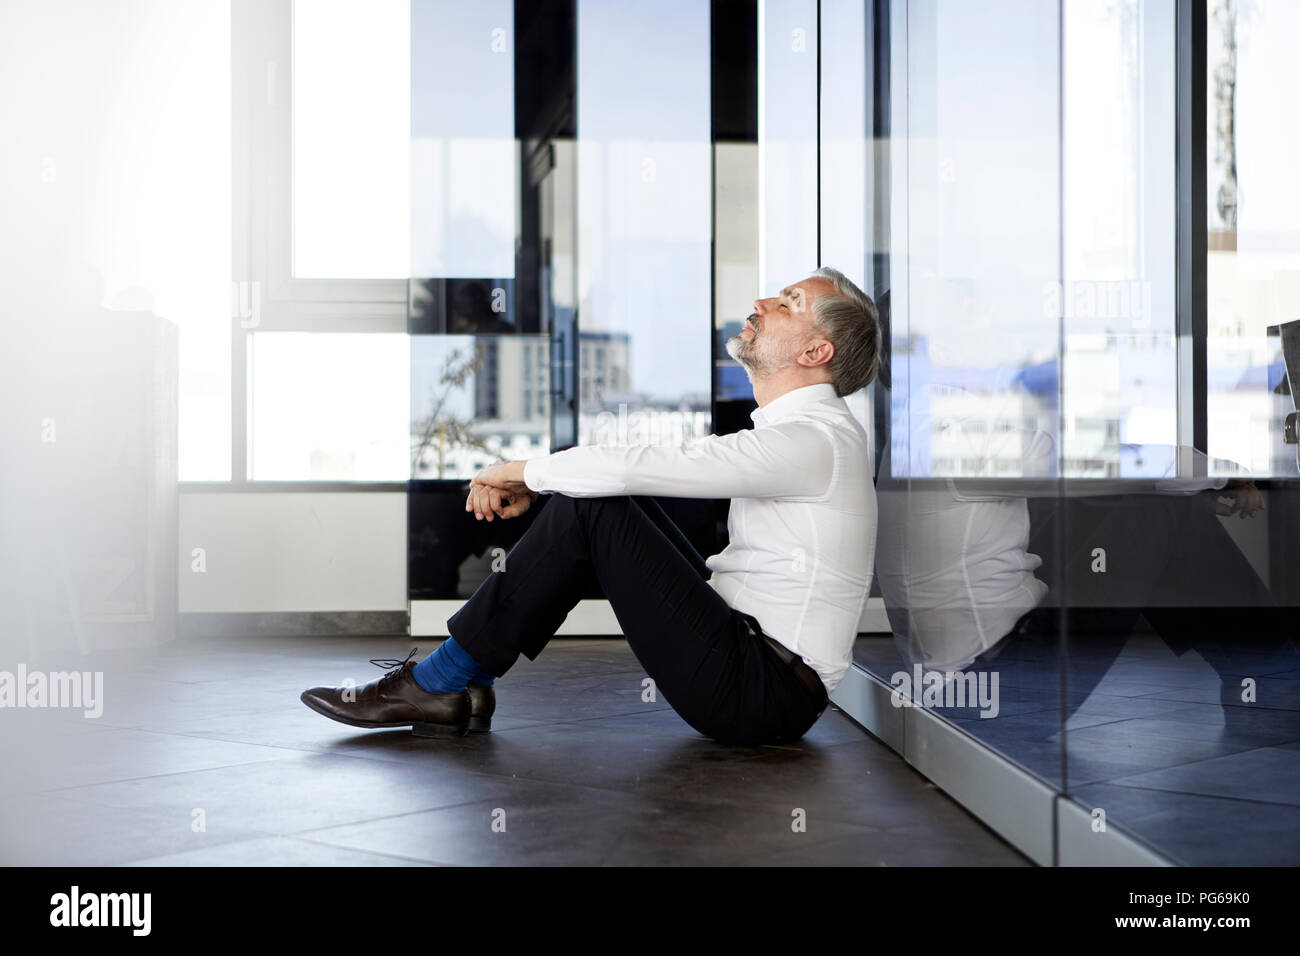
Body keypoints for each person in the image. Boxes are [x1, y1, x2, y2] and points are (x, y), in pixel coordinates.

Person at [301, 267, 881, 746]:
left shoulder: (815, 439)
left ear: (816, 349)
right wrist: (546, 481)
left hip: (760, 692)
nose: (762, 300)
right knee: (606, 498)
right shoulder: (815, 434)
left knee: (595, 507)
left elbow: (659, 461)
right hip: (754, 663)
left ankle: (442, 680)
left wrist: (519, 472)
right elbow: (633, 473)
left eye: (788, 302)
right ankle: (463, 679)